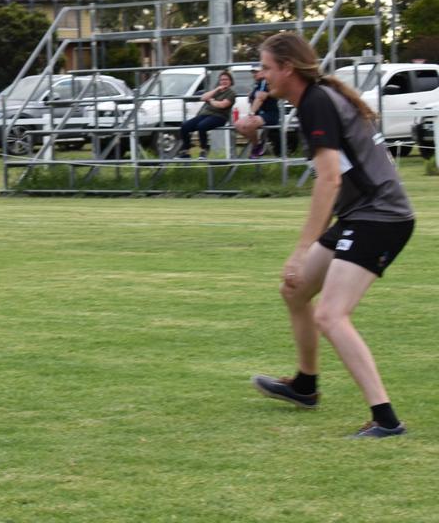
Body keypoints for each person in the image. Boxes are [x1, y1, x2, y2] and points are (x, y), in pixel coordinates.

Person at [250, 32, 415, 438]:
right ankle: (305, 386)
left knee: (330, 314)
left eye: (266, 66)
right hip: (362, 215)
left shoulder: (317, 102)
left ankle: (386, 419)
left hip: (381, 217)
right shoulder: (316, 99)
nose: (261, 73)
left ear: (288, 69)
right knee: (295, 291)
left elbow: (328, 181)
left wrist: (302, 248)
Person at [177, 70, 235, 159]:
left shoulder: (231, 93)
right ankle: (186, 151)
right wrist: (216, 89)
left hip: (219, 117)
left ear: (230, 81)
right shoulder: (216, 91)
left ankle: (204, 150)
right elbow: (203, 97)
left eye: (226, 79)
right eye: (222, 80)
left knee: (202, 126)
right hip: (205, 115)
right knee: (184, 126)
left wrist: (211, 100)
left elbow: (222, 105)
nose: (224, 81)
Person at [235, 65, 281, 159]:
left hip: (270, 114)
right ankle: (258, 144)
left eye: (256, 72)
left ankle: (258, 147)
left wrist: (251, 113)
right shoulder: (257, 84)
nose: (254, 74)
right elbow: (253, 99)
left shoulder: (266, 82)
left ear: (263, 72)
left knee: (248, 124)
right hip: (259, 115)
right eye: (253, 72)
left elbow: (260, 98)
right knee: (238, 125)